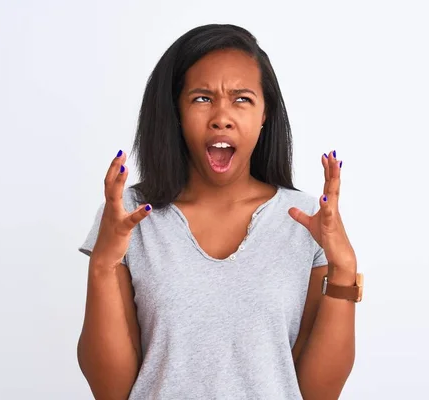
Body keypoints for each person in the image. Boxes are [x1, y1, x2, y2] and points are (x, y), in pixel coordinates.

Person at [77, 23, 362, 400]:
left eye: (242, 99)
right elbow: (110, 391)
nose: (222, 117)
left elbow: (315, 393)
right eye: (201, 98)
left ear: (265, 114)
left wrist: (343, 272)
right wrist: (102, 265)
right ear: (176, 111)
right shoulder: (129, 216)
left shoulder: (307, 219)